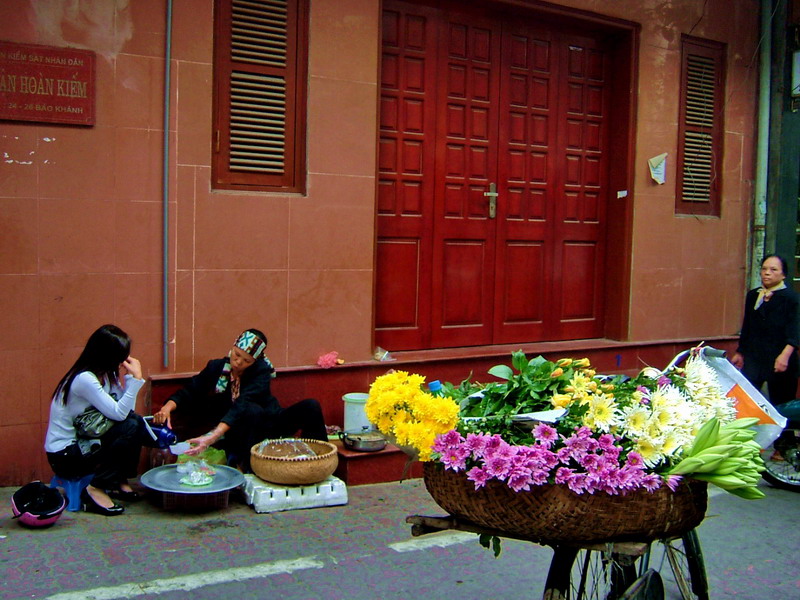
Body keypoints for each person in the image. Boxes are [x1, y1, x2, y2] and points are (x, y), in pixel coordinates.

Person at [152, 329, 327, 470]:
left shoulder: (262, 372)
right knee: (251, 412)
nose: (237, 363)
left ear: (255, 361)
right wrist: (167, 408)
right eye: (236, 355)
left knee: (310, 407)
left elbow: (242, 404)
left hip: (268, 426)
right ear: (233, 347)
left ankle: (319, 463)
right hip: (238, 433)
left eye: (246, 361)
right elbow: (191, 389)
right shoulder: (217, 367)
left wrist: (212, 436)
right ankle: (250, 469)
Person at [45, 324, 148, 516]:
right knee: (130, 426)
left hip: (88, 441)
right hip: (66, 455)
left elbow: (127, 413)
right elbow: (120, 415)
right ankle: (96, 488)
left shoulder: (107, 376)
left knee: (135, 423)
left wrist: (129, 382)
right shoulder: (85, 379)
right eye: (119, 358)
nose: (122, 363)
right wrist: (136, 380)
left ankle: (118, 480)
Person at [731, 254, 800, 406]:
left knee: (781, 404)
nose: (767, 273)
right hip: (755, 358)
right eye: (764, 269)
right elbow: (748, 326)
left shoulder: (791, 298)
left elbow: (795, 331)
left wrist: (784, 356)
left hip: (780, 358)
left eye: (773, 269)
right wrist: (740, 352)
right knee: (748, 401)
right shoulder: (753, 295)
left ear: (783, 274)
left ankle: (784, 431)